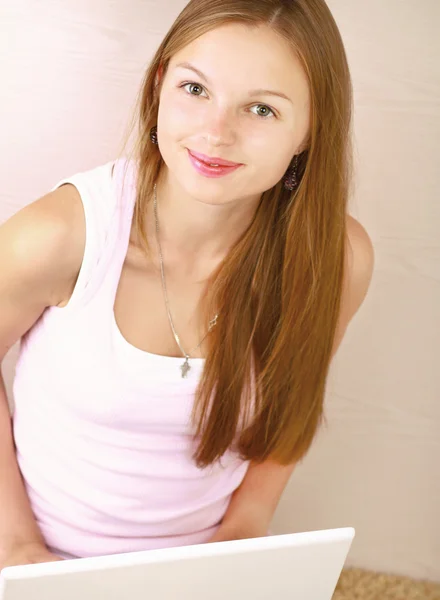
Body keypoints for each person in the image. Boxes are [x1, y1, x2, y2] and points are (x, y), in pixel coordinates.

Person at [0, 0, 374, 568]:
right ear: (159, 88)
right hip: (39, 562)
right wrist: (17, 544)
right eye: (195, 90)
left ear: (309, 130)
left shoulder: (334, 259)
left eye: (261, 109)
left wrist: (247, 526)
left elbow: (294, 399)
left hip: (200, 570)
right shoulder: (58, 236)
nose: (216, 133)